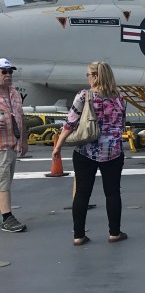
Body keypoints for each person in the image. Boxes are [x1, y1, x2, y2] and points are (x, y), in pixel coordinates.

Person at [53, 61, 128, 246]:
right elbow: (122, 125)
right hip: (113, 152)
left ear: (95, 77)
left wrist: (58, 145)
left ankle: (79, 236)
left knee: (82, 193)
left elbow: (70, 123)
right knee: (112, 192)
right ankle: (114, 233)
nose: (87, 78)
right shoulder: (120, 98)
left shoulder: (84, 95)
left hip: (86, 151)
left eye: (88, 75)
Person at [0, 58, 29, 233]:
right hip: (1, 146)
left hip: (12, 145)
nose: (8, 75)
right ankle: (7, 218)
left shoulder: (15, 93)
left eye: (10, 71)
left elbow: (21, 117)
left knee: (6, 182)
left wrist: (24, 140)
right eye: (4, 72)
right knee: (3, 183)